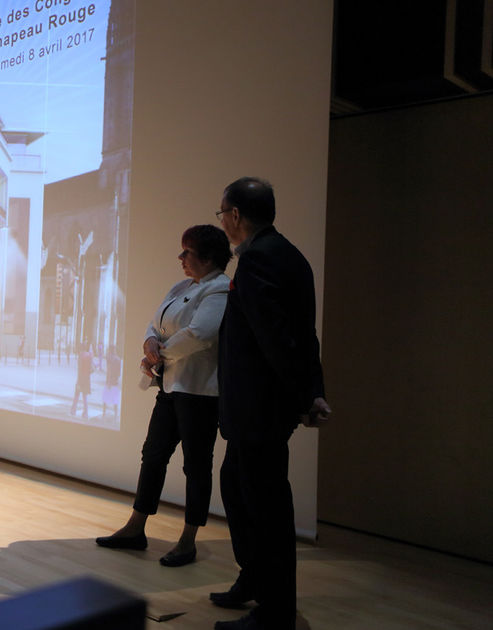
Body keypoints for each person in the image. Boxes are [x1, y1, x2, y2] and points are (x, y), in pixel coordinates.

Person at [211, 177, 331, 630]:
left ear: (236, 216)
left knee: (265, 508)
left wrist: (305, 396)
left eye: (222, 212)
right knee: (239, 489)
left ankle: (275, 611)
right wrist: (314, 389)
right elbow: (306, 335)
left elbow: (277, 340)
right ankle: (255, 580)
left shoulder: (258, 260)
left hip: (258, 409)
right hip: (261, 409)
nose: (221, 221)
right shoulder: (291, 257)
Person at [96, 225, 231, 567]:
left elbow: (199, 335)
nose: (181, 258)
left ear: (207, 256)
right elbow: (154, 324)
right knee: (153, 456)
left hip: (199, 393)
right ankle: (136, 527)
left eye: (187, 252)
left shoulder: (220, 290)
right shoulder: (182, 286)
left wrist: (160, 354)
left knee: (196, 466)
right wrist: (149, 343)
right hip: (170, 387)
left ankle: (188, 539)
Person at [69, 343, 93, 417]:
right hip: (87, 378)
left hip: (81, 378)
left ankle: (73, 410)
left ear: (80, 348)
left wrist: (78, 380)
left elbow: (79, 368)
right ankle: (85, 412)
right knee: (84, 396)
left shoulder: (80, 355)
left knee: (77, 394)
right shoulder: (89, 355)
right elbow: (91, 369)